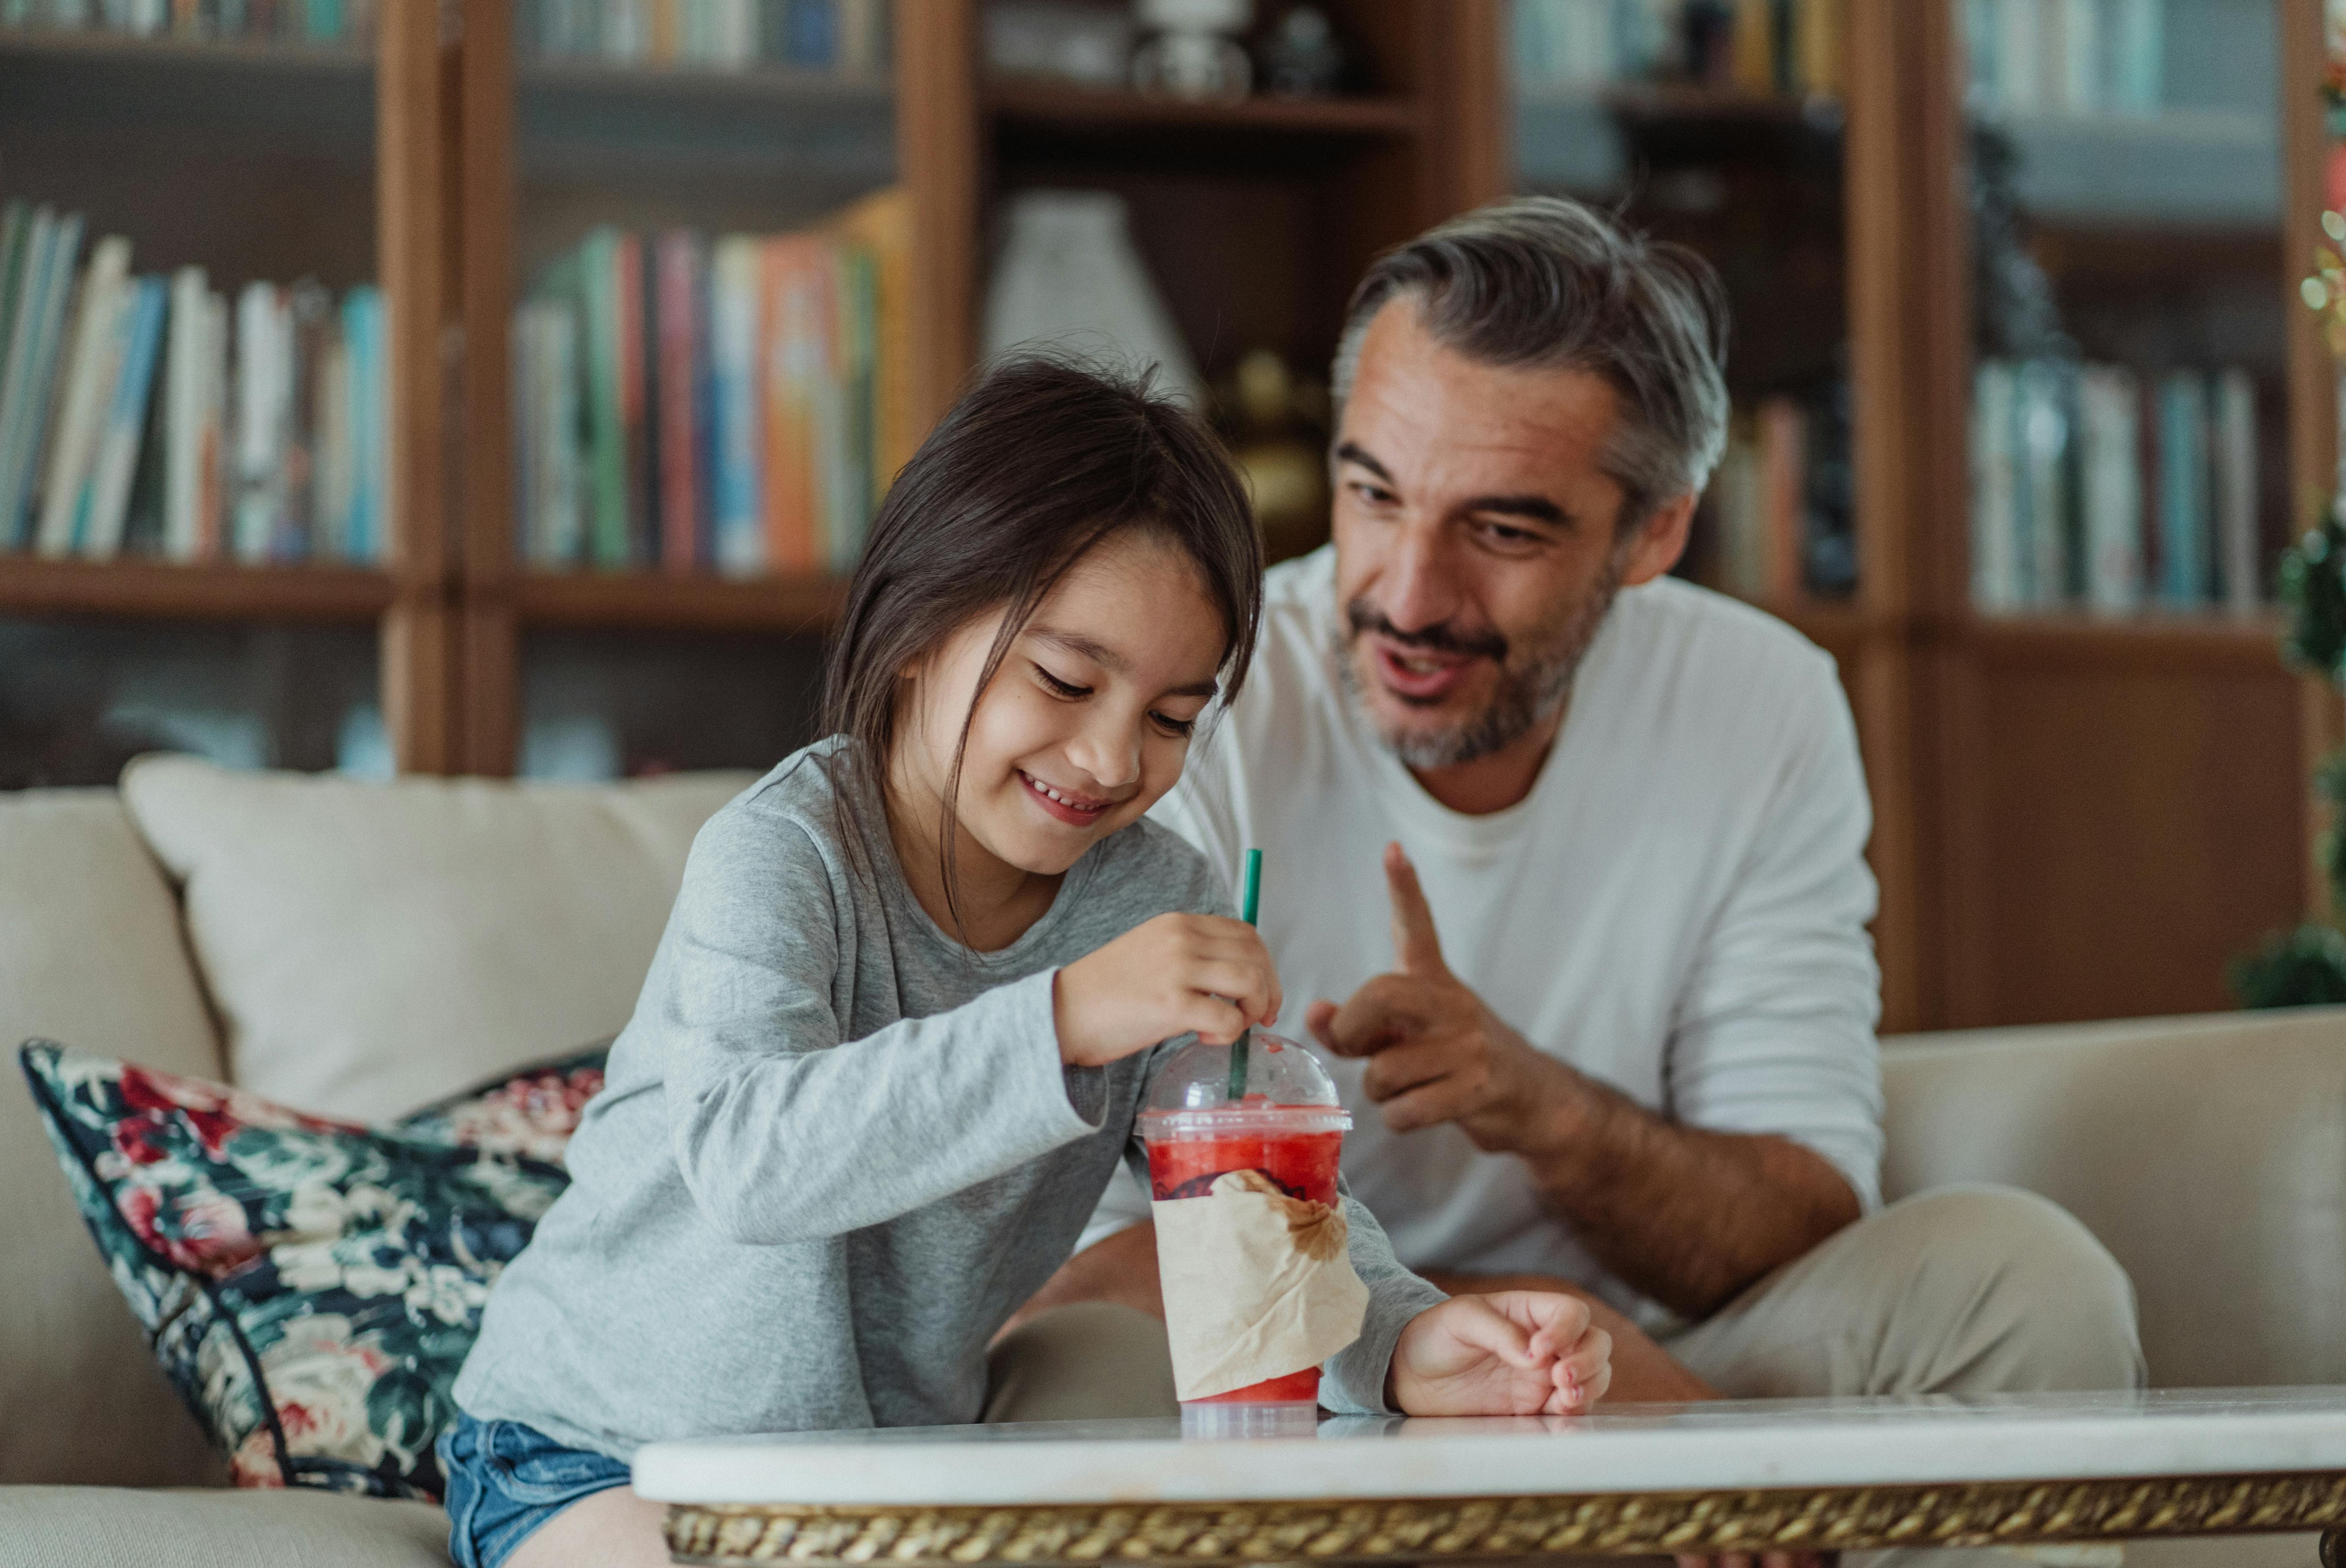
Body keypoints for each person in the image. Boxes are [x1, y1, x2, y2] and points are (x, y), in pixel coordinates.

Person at [998, 202, 2143, 1559]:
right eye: (1374, 495)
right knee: (1101, 1355)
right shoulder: (1198, 699)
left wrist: (1539, 1107)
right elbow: (1107, 1270)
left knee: (2028, 1282)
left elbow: (1798, 1220)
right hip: (1296, 1379)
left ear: (1654, 534)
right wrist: (1543, 1364)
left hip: (1650, 1358)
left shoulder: (1760, 702)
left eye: (1502, 530)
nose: (1409, 594)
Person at [442, 357, 1616, 1568]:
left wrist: (1407, 1347)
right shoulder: (785, 853)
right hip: (596, 1451)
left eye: (1172, 717)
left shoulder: (1155, 896)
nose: (1111, 758)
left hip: (881, 1489)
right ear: (918, 626)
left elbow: (1253, 1204)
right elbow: (750, 1165)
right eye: (1064, 680)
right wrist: (1065, 1016)